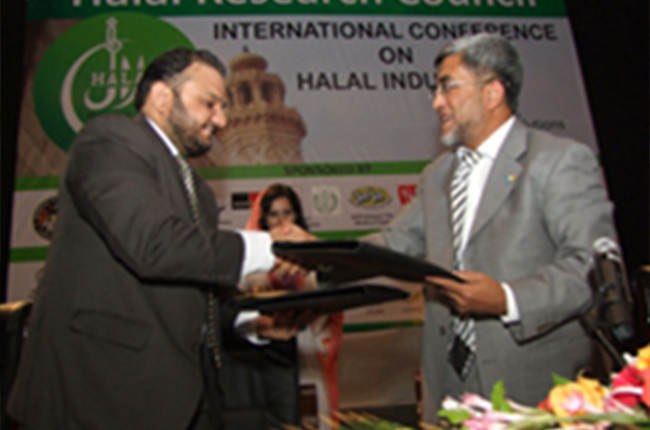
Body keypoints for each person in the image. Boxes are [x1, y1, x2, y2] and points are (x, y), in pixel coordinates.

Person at [7, 48, 315, 430]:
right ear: (161, 97)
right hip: (97, 395)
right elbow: (154, 244)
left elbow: (195, 292)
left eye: (223, 108)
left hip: (181, 399)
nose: (221, 120)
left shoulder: (199, 192)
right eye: (210, 103)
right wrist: (271, 246)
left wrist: (253, 322)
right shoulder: (110, 140)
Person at [365, 34, 618, 423]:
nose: (436, 102)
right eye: (436, 90)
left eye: (448, 87)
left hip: (533, 389)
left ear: (492, 93)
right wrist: (315, 256)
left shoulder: (559, 161)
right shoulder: (438, 175)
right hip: (448, 384)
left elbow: (591, 268)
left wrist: (507, 299)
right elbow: (397, 242)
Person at [242, 184, 344, 428]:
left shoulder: (313, 254)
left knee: (317, 408)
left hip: (309, 345)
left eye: (287, 212)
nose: (282, 221)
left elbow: (331, 296)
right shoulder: (253, 260)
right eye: (274, 214)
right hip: (268, 348)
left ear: (297, 215)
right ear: (263, 219)